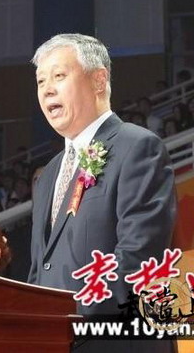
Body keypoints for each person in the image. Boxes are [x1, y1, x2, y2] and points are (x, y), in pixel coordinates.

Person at [28, 34, 177, 352]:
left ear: (98, 80)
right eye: (41, 81)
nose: (47, 89)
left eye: (59, 76)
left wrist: (71, 320)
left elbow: (138, 256)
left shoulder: (137, 147)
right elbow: (41, 270)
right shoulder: (49, 173)